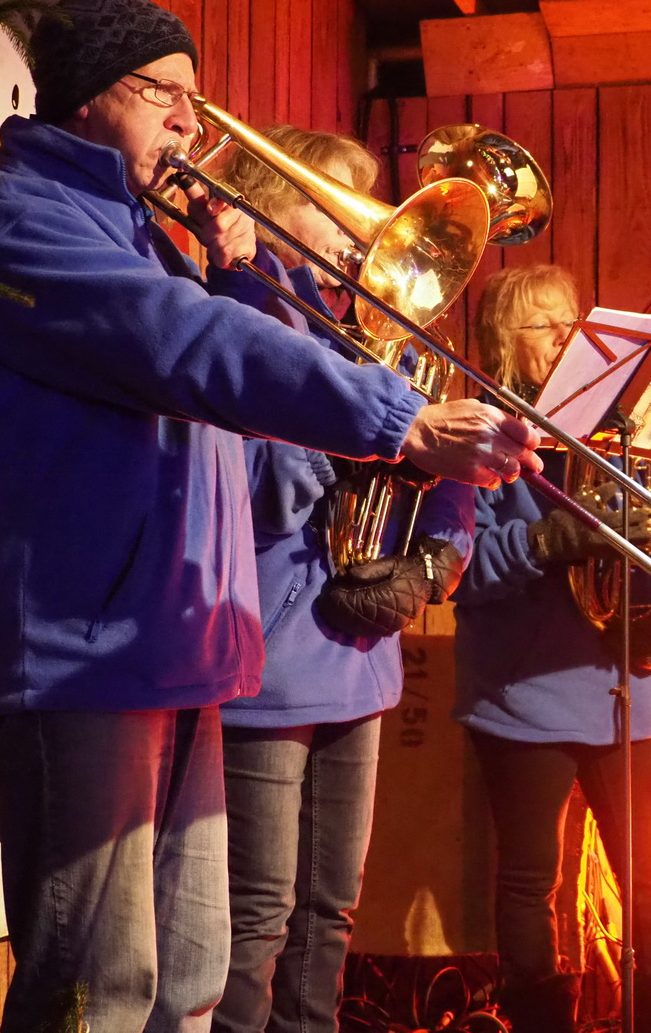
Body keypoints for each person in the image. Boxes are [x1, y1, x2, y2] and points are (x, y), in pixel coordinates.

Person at [0, 0, 539, 1033]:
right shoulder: (10, 222)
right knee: (96, 995)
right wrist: (401, 421)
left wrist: (248, 272)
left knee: (194, 979)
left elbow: (221, 372)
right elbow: (183, 344)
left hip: (168, 653)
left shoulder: (141, 236)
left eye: (192, 98)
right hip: (78, 661)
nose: (189, 123)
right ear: (85, 95)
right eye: (164, 92)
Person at [201, 126, 477, 1033]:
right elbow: (254, 491)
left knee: (328, 917)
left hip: (357, 656)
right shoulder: (249, 307)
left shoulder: (359, 324)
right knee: (256, 919)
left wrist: (434, 560)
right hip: (270, 654)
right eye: (335, 212)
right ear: (275, 209)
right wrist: (366, 430)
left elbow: (448, 480)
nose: (361, 240)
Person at [451, 264, 651, 1033]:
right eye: (547, 327)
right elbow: (463, 573)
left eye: (575, 324)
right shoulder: (483, 433)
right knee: (533, 880)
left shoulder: (625, 424)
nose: (568, 340)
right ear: (504, 340)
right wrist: (551, 539)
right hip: (524, 691)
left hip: (625, 687)